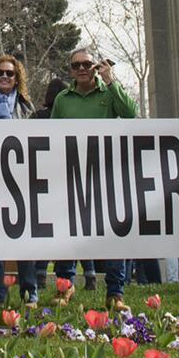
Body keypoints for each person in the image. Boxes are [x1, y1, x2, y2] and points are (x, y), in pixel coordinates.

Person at [52, 44, 136, 307]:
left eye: (86, 64)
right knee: (68, 234)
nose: (81, 70)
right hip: (71, 176)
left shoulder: (109, 93)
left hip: (106, 176)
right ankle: (64, 287)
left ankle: (115, 293)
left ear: (95, 67)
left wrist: (110, 80)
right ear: (70, 70)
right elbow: (50, 136)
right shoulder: (62, 99)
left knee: (111, 236)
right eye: (75, 66)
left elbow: (130, 113)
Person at [0, 52, 37, 306]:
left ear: (16, 79)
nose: (4, 76)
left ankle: (29, 293)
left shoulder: (27, 109)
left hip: (21, 182)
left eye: (9, 73)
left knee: (25, 241)